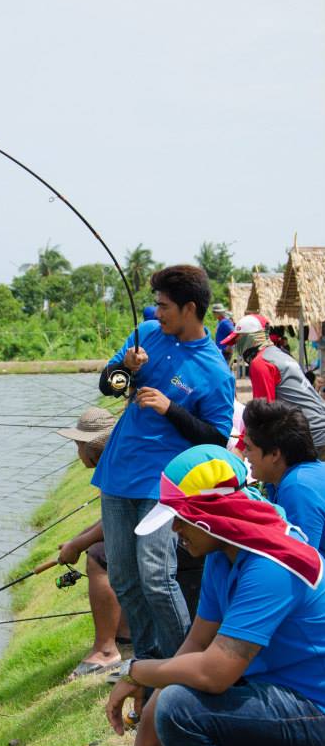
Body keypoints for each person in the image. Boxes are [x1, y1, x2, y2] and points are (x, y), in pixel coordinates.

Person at [105, 444, 325, 746]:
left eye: (180, 519)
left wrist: (135, 672)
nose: (175, 531)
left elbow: (214, 672)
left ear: (211, 515)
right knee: (171, 705)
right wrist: (152, 710)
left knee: (182, 710)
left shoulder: (271, 561)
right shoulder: (226, 554)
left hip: (314, 711)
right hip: (281, 695)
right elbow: (196, 643)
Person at [94, 265, 235, 661]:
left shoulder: (214, 370)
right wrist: (126, 369)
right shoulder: (148, 336)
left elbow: (216, 439)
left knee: (156, 577)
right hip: (119, 474)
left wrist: (170, 407)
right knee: (123, 579)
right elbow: (109, 385)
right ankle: (147, 662)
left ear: (189, 308)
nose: (157, 313)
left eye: (164, 306)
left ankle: (180, 665)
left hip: (165, 487)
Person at [55, 407, 130, 678]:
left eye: (78, 445)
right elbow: (111, 516)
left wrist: (78, 546)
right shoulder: (118, 459)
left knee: (98, 556)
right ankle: (126, 633)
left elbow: (116, 522)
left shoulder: (115, 466)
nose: (77, 453)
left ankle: (106, 651)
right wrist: (76, 540)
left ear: (92, 448)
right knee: (98, 547)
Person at [222, 313, 325, 457]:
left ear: (250, 338)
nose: (237, 348)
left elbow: (261, 413)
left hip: (312, 435)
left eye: (238, 341)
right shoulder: (280, 354)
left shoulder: (260, 363)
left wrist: (240, 449)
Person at [242, 399, 325, 552]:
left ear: (274, 454)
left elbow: (299, 560)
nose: (244, 454)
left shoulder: (297, 487)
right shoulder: (290, 477)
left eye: (248, 447)